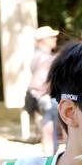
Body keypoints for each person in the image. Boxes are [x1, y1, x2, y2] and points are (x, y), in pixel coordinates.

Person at [28, 26, 60, 154]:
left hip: (41, 96)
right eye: (52, 37)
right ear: (43, 40)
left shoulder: (40, 55)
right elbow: (45, 80)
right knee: (48, 128)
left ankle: (49, 154)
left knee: (48, 126)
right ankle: (49, 157)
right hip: (44, 96)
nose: (55, 39)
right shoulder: (43, 57)